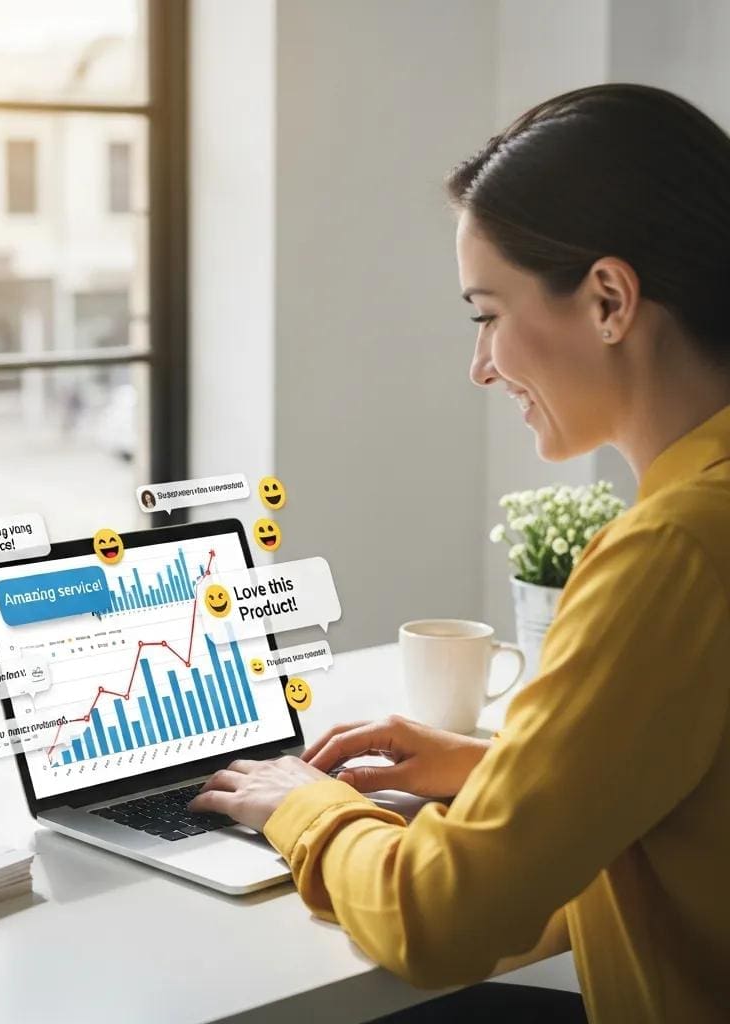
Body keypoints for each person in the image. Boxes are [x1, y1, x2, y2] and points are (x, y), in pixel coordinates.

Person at [189, 84, 730, 1023]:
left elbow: (442, 922)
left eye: (485, 313)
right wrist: (498, 771)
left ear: (609, 299)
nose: (481, 365)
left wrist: (299, 806)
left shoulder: (672, 551)